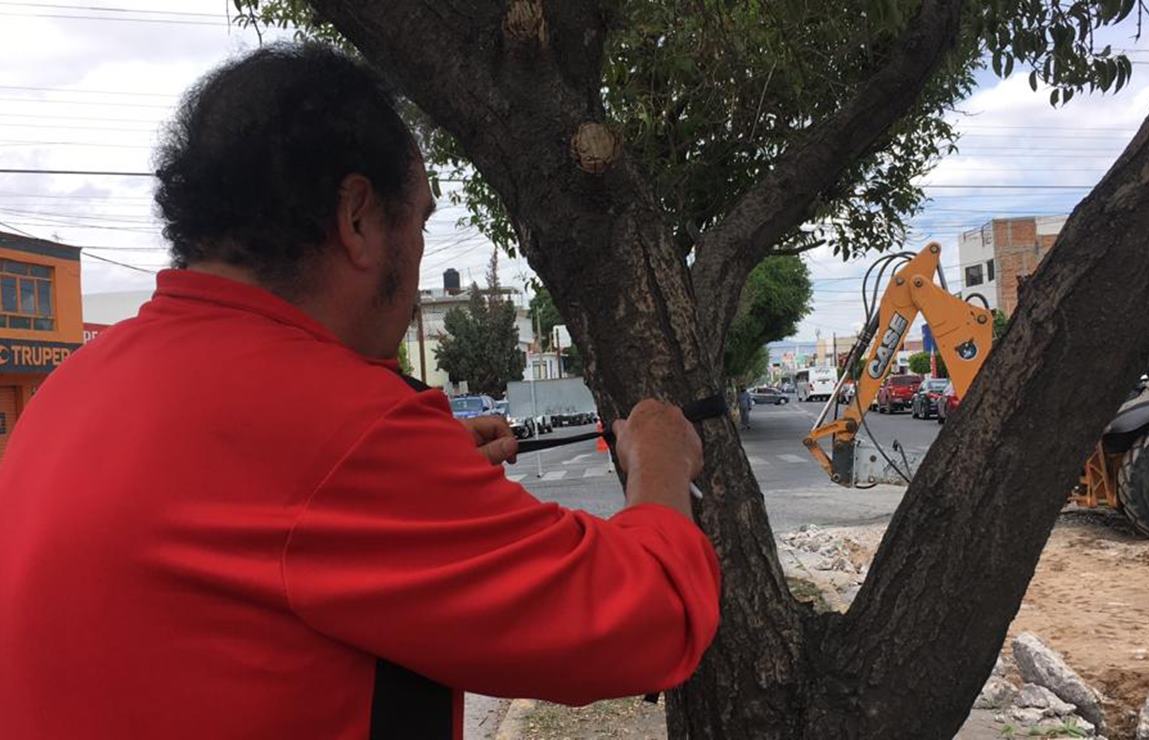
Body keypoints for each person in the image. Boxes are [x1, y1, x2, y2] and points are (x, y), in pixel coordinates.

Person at [0, 45, 720, 740]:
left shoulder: (71, 391)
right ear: (357, 218)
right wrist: (658, 461)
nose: (418, 255)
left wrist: (415, 477)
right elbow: (643, 623)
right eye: (424, 220)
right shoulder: (334, 426)